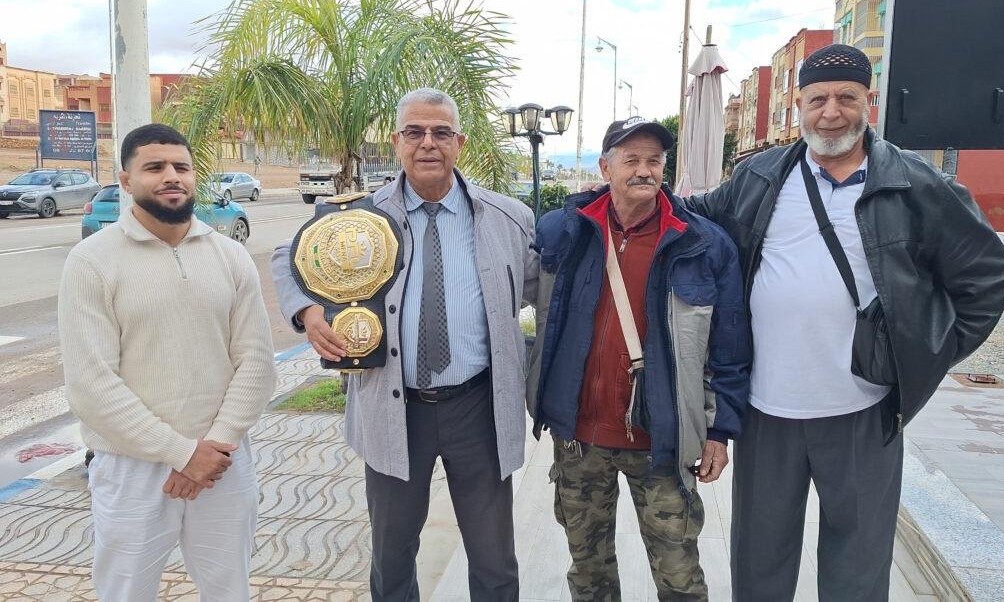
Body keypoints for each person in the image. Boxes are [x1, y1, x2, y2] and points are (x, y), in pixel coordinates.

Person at [684, 44, 1004, 601]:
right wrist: (620, 196)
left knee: (858, 568)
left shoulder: (917, 185)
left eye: (846, 98)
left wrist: (929, 351)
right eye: (817, 99)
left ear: (869, 101)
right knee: (759, 559)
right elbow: (691, 220)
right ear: (799, 105)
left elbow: (986, 276)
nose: (831, 112)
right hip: (767, 408)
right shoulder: (759, 175)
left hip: (865, 407)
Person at [272, 88, 538, 601]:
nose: (427, 143)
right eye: (414, 132)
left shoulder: (507, 217)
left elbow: (539, 289)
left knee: (494, 559)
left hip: (478, 408)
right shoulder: (360, 215)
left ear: (460, 142)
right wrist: (307, 311)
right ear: (397, 142)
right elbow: (289, 254)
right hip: (393, 407)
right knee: (392, 558)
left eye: (441, 132)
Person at [528, 117, 751, 600]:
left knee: (679, 577)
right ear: (605, 167)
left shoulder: (702, 244)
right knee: (588, 573)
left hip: (662, 442)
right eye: (631, 160)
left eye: (654, 160)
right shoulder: (567, 231)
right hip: (579, 439)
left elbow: (730, 349)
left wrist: (720, 431)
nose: (644, 170)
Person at [58, 123, 277, 601]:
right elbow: (92, 385)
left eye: (181, 167)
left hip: (223, 462)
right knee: (125, 592)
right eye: (154, 167)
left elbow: (258, 362)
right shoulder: (93, 261)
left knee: (229, 591)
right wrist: (181, 453)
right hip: (132, 467)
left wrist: (212, 450)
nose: (171, 177)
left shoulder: (230, 256)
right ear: (126, 180)